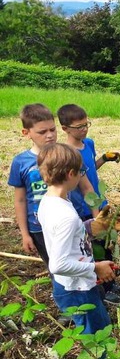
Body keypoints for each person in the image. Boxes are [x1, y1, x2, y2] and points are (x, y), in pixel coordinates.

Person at [37, 143, 120, 359]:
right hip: (76, 289)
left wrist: (93, 226)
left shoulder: (51, 201)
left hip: (72, 285)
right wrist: (95, 268)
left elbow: (69, 238)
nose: (82, 176)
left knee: (98, 329)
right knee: (96, 340)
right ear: (70, 174)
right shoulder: (65, 215)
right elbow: (57, 263)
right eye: (81, 171)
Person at [57, 104, 120, 305]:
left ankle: (111, 281)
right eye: (79, 127)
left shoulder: (88, 143)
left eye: (86, 124)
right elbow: (81, 187)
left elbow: (90, 171)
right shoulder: (66, 153)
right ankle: (104, 289)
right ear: (65, 128)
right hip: (83, 209)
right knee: (92, 249)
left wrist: (104, 159)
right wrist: (96, 216)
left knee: (108, 244)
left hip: (99, 203)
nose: (84, 129)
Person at [8, 104, 96, 265]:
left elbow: (86, 187)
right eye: (42, 132)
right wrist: (25, 234)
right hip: (39, 228)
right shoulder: (21, 162)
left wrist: (96, 217)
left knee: (82, 260)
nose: (49, 135)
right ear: (26, 133)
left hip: (68, 222)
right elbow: (20, 200)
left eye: (52, 130)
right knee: (57, 266)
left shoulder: (68, 155)